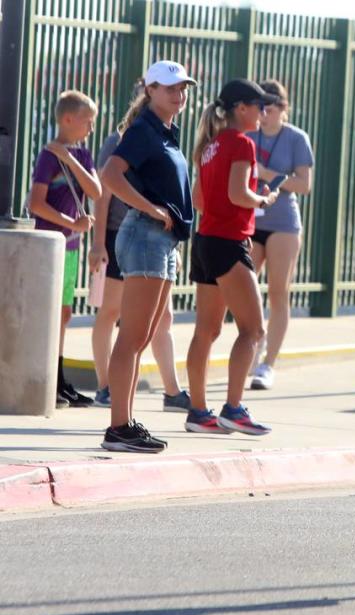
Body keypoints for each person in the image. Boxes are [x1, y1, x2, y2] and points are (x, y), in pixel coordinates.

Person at [100, 60, 197, 453]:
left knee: (140, 338)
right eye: (170, 88)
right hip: (145, 235)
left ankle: (126, 423)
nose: (179, 94)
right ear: (150, 89)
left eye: (183, 88)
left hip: (162, 242)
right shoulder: (143, 130)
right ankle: (118, 427)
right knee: (132, 336)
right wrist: (152, 209)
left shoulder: (166, 131)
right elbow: (110, 175)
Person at [184, 79, 279, 436]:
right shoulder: (241, 143)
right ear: (242, 108)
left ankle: (197, 411)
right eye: (260, 105)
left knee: (206, 331)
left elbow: (199, 199)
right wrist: (262, 200)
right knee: (253, 329)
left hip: (206, 240)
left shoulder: (210, 145)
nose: (264, 112)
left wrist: (240, 200)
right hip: (229, 241)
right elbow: (239, 195)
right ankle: (233, 409)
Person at [28, 90, 102, 408]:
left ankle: (58, 380)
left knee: (65, 313)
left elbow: (95, 190)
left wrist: (70, 157)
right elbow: (35, 204)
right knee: (51, 313)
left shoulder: (81, 155)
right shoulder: (47, 157)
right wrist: (70, 223)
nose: (90, 128)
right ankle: (47, 380)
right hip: (53, 247)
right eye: (87, 121)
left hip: (71, 249)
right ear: (68, 119)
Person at [245, 79, 315, 390]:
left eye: (269, 109)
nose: (264, 115)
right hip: (251, 217)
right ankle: (252, 344)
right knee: (247, 289)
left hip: (283, 221)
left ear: (283, 110)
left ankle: (268, 363)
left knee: (277, 291)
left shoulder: (296, 138)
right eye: (260, 109)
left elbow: (303, 185)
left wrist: (269, 175)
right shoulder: (248, 133)